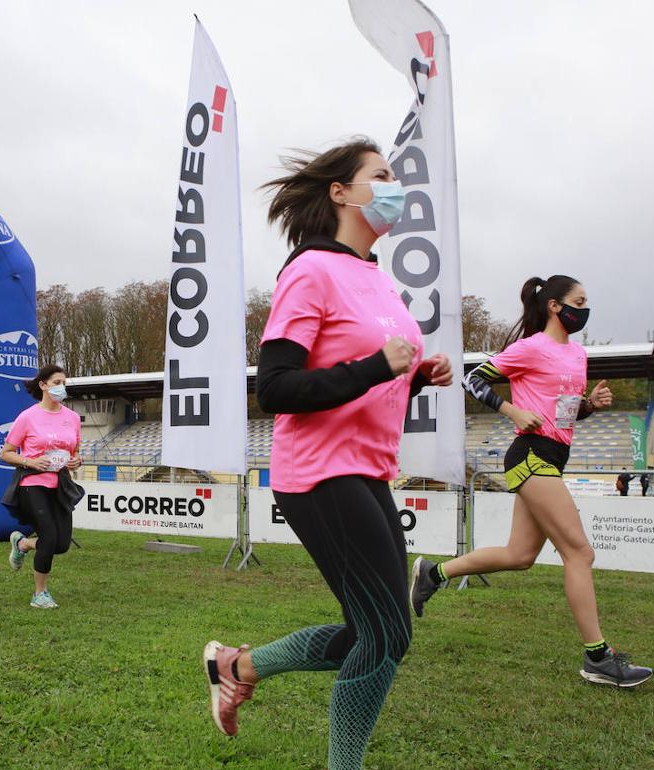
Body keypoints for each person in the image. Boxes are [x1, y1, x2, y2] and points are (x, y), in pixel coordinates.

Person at [199, 138, 452, 770]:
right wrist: (376, 366)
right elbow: (277, 388)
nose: (394, 187)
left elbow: (364, 377)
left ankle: (236, 664)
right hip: (318, 473)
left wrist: (415, 377)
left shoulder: (375, 278)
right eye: (381, 176)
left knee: (380, 633)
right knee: (387, 634)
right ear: (340, 192)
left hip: (368, 470)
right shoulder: (309, 269)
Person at [410, 274, 652, 688]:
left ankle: (433, 574)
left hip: (552, 456)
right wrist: (512, 412)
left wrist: (590, 406)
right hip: (531, 454)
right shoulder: (531, 347)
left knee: (520, 555)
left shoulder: (577, 355)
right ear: (555, 306)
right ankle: (599, 658)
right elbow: (473, 379)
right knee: (580, 553)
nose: (585, 307)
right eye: (579, 300)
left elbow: (564, 416)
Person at [0, 364, 84, 609]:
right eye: (57, 382)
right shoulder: (27, 417)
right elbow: (6, 453)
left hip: (60, 485)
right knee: (48, 535)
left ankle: (23, 544)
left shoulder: (73, 418)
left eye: (64, 383)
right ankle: (40, 594)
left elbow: (74, 453)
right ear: (43, 385)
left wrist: (77, 460)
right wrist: (31, 461)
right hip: (32, 483)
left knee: (61, 544)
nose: (62, 387)